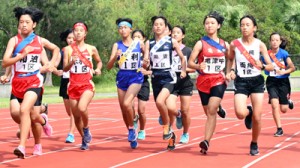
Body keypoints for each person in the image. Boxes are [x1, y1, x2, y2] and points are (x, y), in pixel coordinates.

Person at [2, 7, 59, 158]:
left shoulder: (40, 41)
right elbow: (6, 62)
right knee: (19, 115)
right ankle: (43, 120)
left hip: (34, 83)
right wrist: (21, 55)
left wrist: (51, 64)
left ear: (34, 24)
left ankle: (23, 146)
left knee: (24, 110)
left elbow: (56, 49)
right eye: (21, 22)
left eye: (27, 22)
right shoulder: (13, 41)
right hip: (17, 83)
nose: (24, 25)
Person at [226, 15, 274, 156]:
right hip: (241, 81)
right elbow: (230, 59)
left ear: (254, 28)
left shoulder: (259, 44)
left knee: (258, 118)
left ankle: (254, 143)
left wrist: (263, 65)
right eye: (242, 25)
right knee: (240, 114)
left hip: (256, 81)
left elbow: (271, 66)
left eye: (247, 25)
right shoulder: (235, 44)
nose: (244, 27)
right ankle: (249, 112)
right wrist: (230, 71)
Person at [188, 11, 230, 154]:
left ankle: (206, 141)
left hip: (218, 80)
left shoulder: (225, 44)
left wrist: (229, 71)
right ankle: (219, 108)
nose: (209, 25)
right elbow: (190, 62)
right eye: (207, 23)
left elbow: (231, 59)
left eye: (212, 23)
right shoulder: (201, 43)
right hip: (203, 81)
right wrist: (198, 66)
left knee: (211, 110)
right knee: (209, 112)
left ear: (218, 25)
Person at [143, 16, 186, 150]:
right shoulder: (148, 43)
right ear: (153, 27)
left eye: (161, 24)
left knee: (160, 102)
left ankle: (166, 127)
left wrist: (183, 70)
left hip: (169, 77)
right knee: (163, 106)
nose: (158, 26)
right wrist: (145, 62)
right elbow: (146, 61)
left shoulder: (172, 41)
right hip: (156, 78)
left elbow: (182, 57)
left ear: (165, 27)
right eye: (156, 24)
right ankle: (171, 135)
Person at [63, 21, 102, 150]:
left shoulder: (91, 48)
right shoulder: (68, 49)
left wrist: (98, 69)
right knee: (76, 116)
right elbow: (65, 69)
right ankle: (84, 139)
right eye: (76, 30)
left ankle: (86, 129)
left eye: (81, 30)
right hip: (73, 85)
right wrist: (71, 62)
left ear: (85, 33)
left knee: (82, 107)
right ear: (73, 33)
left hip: (87, 84)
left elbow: (99, 61)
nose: (78, 32)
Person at [107, 18, 143, 149]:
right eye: (120, 28)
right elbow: (109, 67)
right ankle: (131, 130)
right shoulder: (117, 45)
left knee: (127, 103)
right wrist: (115, 57)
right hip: (122, 77)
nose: (123, 30)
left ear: (130, 29)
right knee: (124, 108)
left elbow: (147, 58)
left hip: (136, 77)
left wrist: (146, 63)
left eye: (125, 27)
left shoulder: (138, 43)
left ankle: (133, 126)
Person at [264, 32, 295, 136]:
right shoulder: (266, 54)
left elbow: (292, 67)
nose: (274, 42)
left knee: (284, 109)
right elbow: (259, 64)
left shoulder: (284, 53)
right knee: (274, 105)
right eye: (272, 40)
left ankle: (288, 101)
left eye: (277, 40)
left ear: (280, 42)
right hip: (271, 82)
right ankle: (279, 128)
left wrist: (284, 72)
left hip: (283, 82)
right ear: (270, 41)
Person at [167, 25, 193, 144]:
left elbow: (193, 69)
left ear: (183, 35)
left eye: (178, 33)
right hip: (171, 82)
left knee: (185, 110)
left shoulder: (187, 50)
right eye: (173, 32)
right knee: (170, 107)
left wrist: (183, 69)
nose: (175, 34)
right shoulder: (167, 50)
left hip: (185, 83)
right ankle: (177, 115)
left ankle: (185, 133)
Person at [56, 29, 76, 143]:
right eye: (69, 38)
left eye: (73, 38)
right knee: (69, 112)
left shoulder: (82, 50)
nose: (71, 40)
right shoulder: (63, 51)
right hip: (65, 80)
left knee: (73, 111)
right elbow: (57, 63)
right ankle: (79, 122)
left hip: (76, 80)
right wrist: (54, 69)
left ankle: (71, 133)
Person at [132, 29, 152, 140]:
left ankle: (142, 130)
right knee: (129, 107)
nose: (136, 39)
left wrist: (145, 51)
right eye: (134, 37)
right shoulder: (129, 50)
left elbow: (151, 67)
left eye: (139, 37)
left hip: (143, 81)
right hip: (130, 81)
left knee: (141, 109)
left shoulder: (147, 52)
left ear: (143, 39)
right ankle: (134, 117)